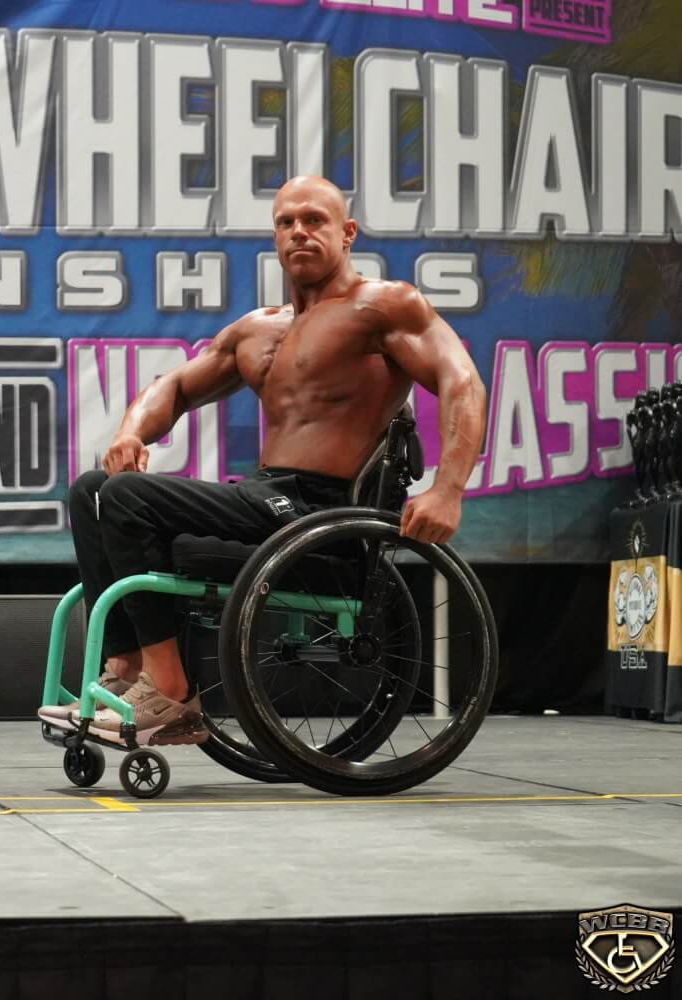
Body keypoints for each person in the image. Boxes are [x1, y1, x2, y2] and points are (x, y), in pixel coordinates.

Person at [39, 175, 487, 746]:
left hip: (319, 513)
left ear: (347, 233)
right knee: (93, 488)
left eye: (315, 220)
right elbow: (175, 385)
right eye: (286, 222)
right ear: (274, 237)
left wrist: (449, 489)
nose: (299, 231)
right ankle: (127, 670)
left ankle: (170, 691)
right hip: (265, 498)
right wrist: (130, 431)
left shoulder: (382, 306)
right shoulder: (257, 329)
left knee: (127, 496)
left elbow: (461, 381)